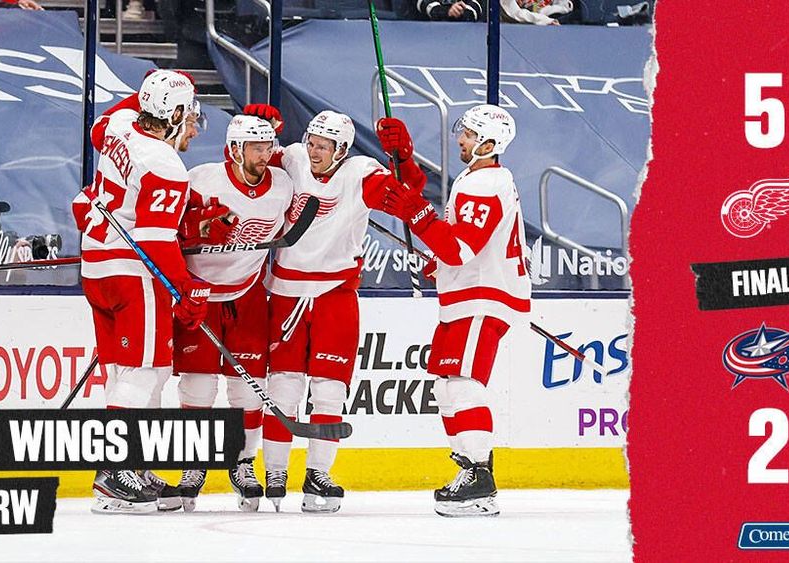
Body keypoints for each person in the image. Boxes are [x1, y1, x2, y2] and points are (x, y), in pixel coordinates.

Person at [241, 104, 419, 513]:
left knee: (329, 390)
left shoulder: (361, 172)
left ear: (342, 149)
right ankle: (276, 473)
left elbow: (404, 195)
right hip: (286, 293)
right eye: (312, 142)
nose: (315, 151)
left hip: (336, 295)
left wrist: (404, 160)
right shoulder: (293, 158)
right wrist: (258, 129)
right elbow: (250, 164)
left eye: (325, 145)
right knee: (283, 387)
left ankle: (318, 474)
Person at [72, 69, 220, 514]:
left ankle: (133, 464)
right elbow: (155, 240)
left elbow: (100, 128)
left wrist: (153, 88)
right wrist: (187, 289)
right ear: (172, 115)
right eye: (189, 115)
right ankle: (113, 471)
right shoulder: (165, 163)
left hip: (96, 266)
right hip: (132, 272)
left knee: (123, 369)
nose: (193, 125)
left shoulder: (119, 125)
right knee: (146, 370)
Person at [378, 104, 530, 517]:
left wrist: (418, 214)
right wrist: (441, 263)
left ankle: (480, 479)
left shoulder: (487, 184)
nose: (460, 139)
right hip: (467, 293)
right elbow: (464, 247)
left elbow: (460, 248)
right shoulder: (476, 177)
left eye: (469, 134)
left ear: (489, 142)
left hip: (483, 297)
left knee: (463, 384)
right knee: (446, 388)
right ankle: (471, 470)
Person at [157, 114, 295, 513]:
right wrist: (195, 232)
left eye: (268, 146)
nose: (265, 154)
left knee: (247, 388)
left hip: (247, 294)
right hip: (200, 295)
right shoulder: (200, 179)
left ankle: (242, 461)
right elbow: (167, 234)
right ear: (234, 149)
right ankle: (193, 463)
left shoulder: (282, 185)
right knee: (198, 387)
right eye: (256, 147)